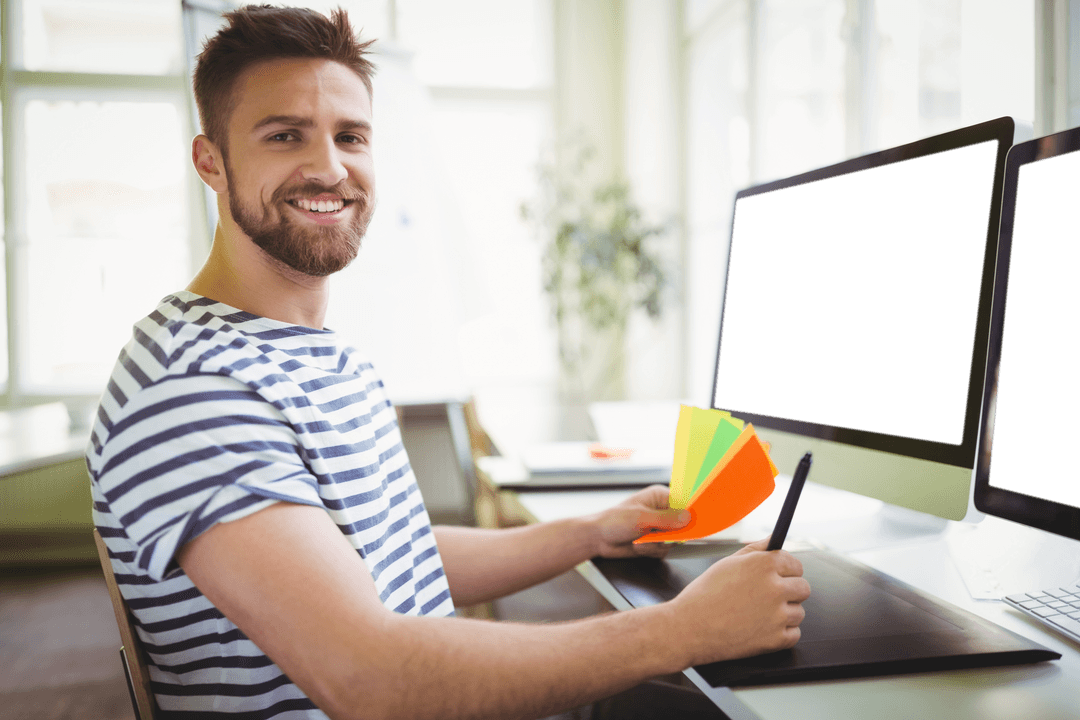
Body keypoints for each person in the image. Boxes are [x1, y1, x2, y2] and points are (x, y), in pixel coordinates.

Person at [85, 6, 810, 719]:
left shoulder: (328, 357)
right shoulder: (192, 388)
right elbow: (370, 681)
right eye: (285, 136)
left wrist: (588, 533)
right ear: (211, 161)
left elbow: (389, 553)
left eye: (351, 136)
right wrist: (685, 630)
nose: (329, 167)